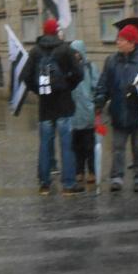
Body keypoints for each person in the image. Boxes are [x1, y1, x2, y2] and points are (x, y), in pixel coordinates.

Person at [21, 19, 85, 196]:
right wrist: (68, 85)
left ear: (43, 31)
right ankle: (68, 184)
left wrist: (38, 90)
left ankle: (44, 184)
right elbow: (80, 73)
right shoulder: (65, 50)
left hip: (45, 107)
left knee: (45, 145)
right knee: (67, 146)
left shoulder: (35, 51)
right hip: (64, 104)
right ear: (57, 32)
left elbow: (25, 76)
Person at [95, 24, 138, 192]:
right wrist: (99, 100)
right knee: (118, 148)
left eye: (122, 39)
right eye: (118, 39)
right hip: (118, 111)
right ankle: (116, 177)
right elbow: (104, 83)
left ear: (131, 42)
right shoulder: (111, 61)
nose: (118, 42)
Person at [69, 39, 98, 186]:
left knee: (89, 146)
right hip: (74, 115)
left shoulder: (91, 67)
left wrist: (92, 102)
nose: (75, 55)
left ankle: (92, 171)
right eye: (72, 52)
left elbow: (96, 86)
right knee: (76, 146)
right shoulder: (68, 68)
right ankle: (79, 171)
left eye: (76, 52)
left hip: (87, 114)